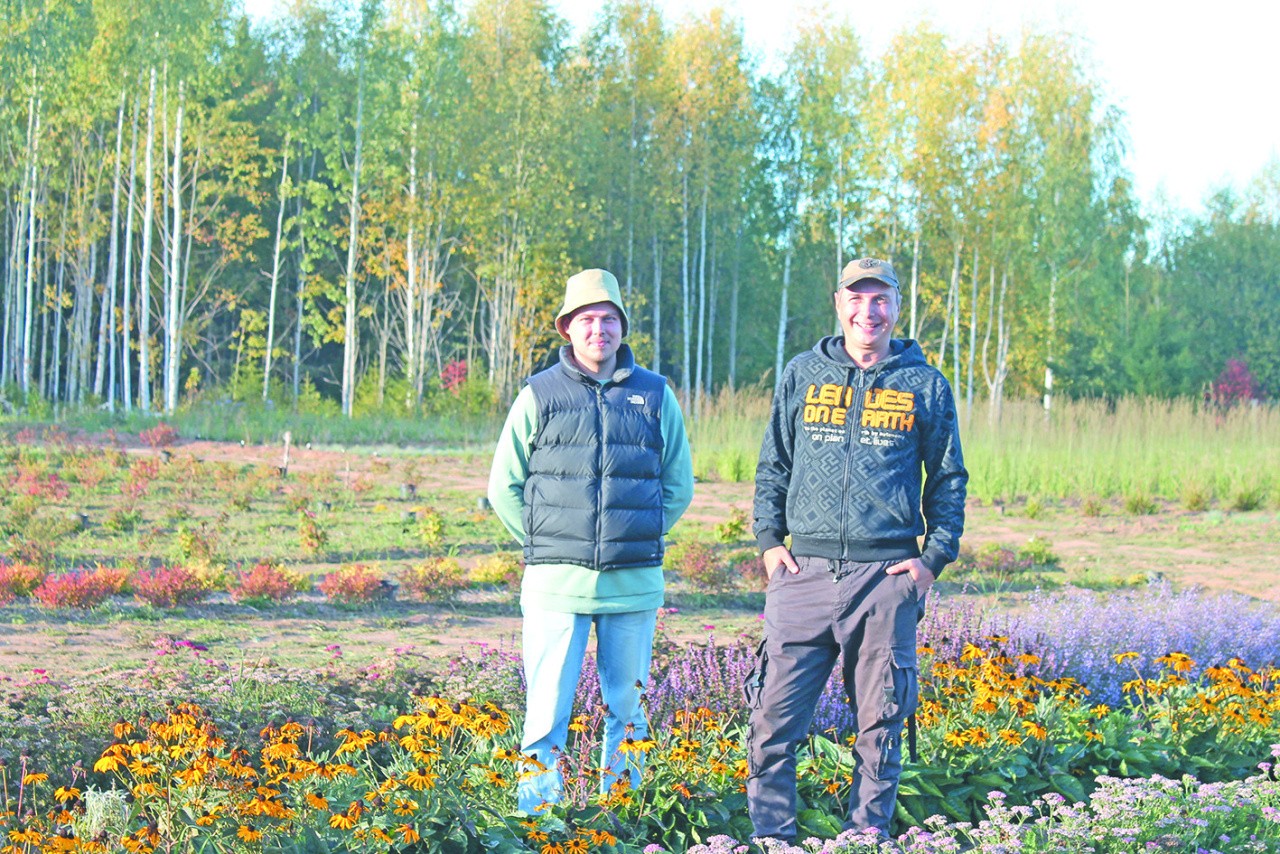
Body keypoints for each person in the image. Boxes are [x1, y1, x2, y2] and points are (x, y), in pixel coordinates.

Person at [746, 257, 968, 841]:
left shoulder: (925, 384)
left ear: (895, 306)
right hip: (804, 573)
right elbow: (774, 463)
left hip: (886, 576)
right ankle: (774, 839)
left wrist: (930, 560)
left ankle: (865, 838)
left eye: (880, 299)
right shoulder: (802, 374)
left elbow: (948, 478)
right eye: (857, 298)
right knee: (772, 720)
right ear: (838, 303)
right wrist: (770, 543)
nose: (868, 311)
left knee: (881, 723)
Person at [487, 268, 694, 814]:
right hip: (556, 587)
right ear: (568, 329)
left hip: (633, 586)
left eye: (608, 318)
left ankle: (621, 820)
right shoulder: (538, 394)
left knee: (629, 712)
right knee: (545, 714)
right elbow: (503, 485)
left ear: (622, 328)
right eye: (586, 319)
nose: (598, 328)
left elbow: (678, 484)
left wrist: (637, 532)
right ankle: (535, 823)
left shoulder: (654, 394)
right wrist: (546, 543)